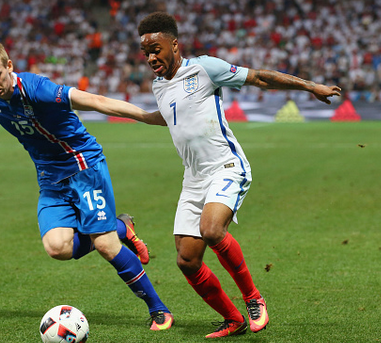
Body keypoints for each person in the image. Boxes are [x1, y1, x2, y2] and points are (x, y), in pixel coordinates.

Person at [0, 39, 174, 331]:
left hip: (83, 166)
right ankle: (120, 226)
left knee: (104, 245)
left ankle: (160, 310)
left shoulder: (38, 89)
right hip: (49, 177)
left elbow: (96, 101)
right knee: (57, 247)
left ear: (9, 66)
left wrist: (148, 117)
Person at [126, 12, 341, 338]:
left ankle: (254, 299)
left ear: (174, 44)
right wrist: (119, 110)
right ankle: (233, 319)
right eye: (146, 53)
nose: (151, 58)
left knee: (212, 230)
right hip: (193, 178)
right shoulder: (159, 85)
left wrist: (310, 87)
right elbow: (172, 116)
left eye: (156, 49)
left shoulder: (204, 68)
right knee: (187, 260)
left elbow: (259, 78)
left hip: (226, 166)